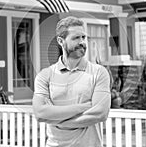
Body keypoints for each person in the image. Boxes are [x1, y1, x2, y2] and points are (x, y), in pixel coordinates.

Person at [32, 16, 111, 147]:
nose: (82, 42)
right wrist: (84, 107)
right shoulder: (45, 76)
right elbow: (40, 113)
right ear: (61, 41)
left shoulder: (99, 72)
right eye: (76, 38)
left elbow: (100, 113)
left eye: (83, 37)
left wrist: (57, 119)